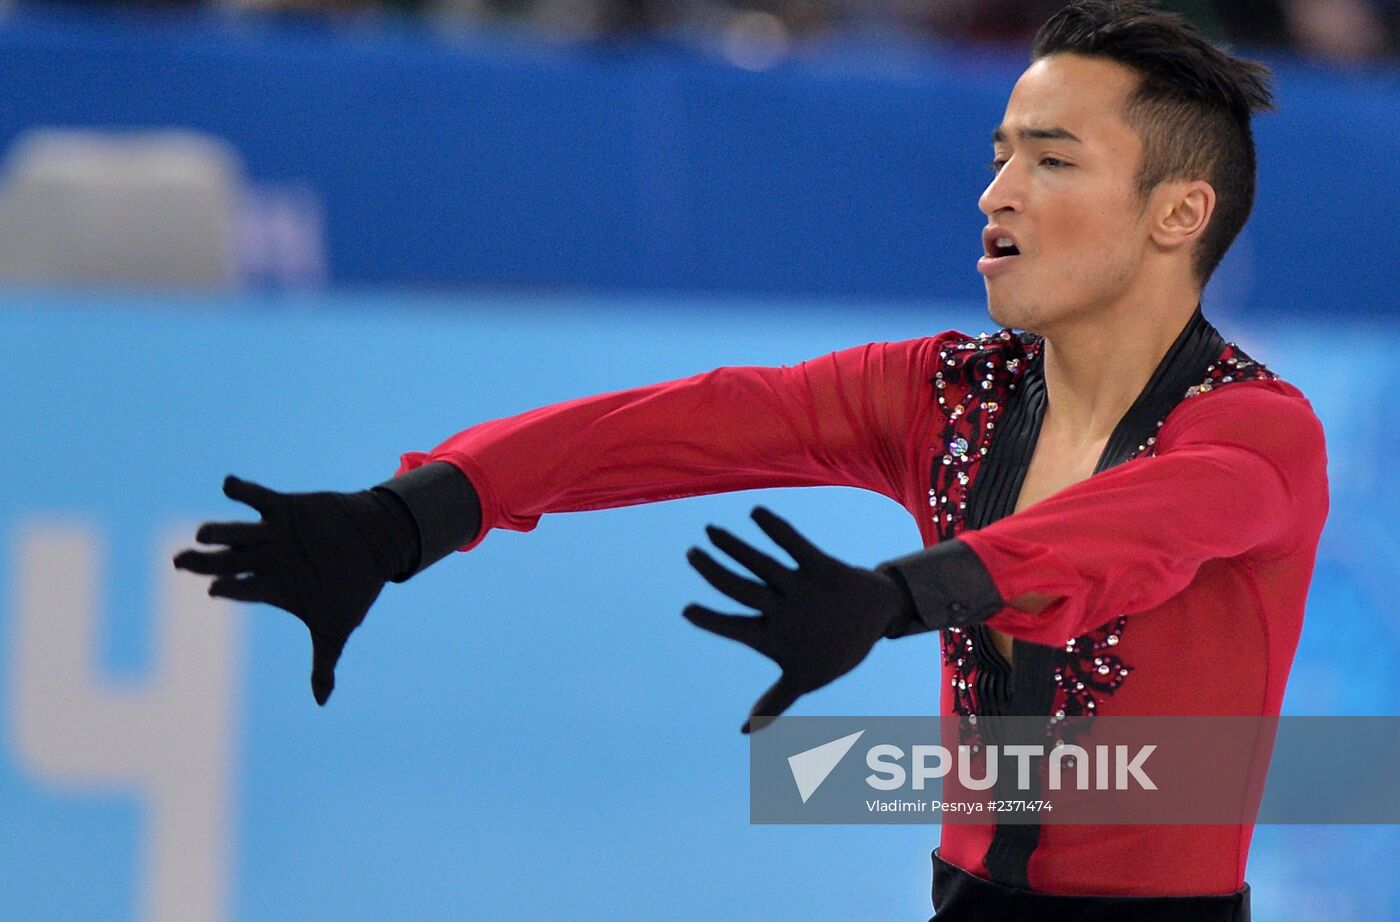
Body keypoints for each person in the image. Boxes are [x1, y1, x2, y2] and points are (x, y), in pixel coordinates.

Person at [173, 2, 1328, 917]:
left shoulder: (1255, 430)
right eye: (998, 156)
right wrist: (415, 512)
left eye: (1051, 162)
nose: (994, 194)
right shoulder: (947, 394)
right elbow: (692, 422)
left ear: (1177, 214)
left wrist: (895, 598)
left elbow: (1127, 538)